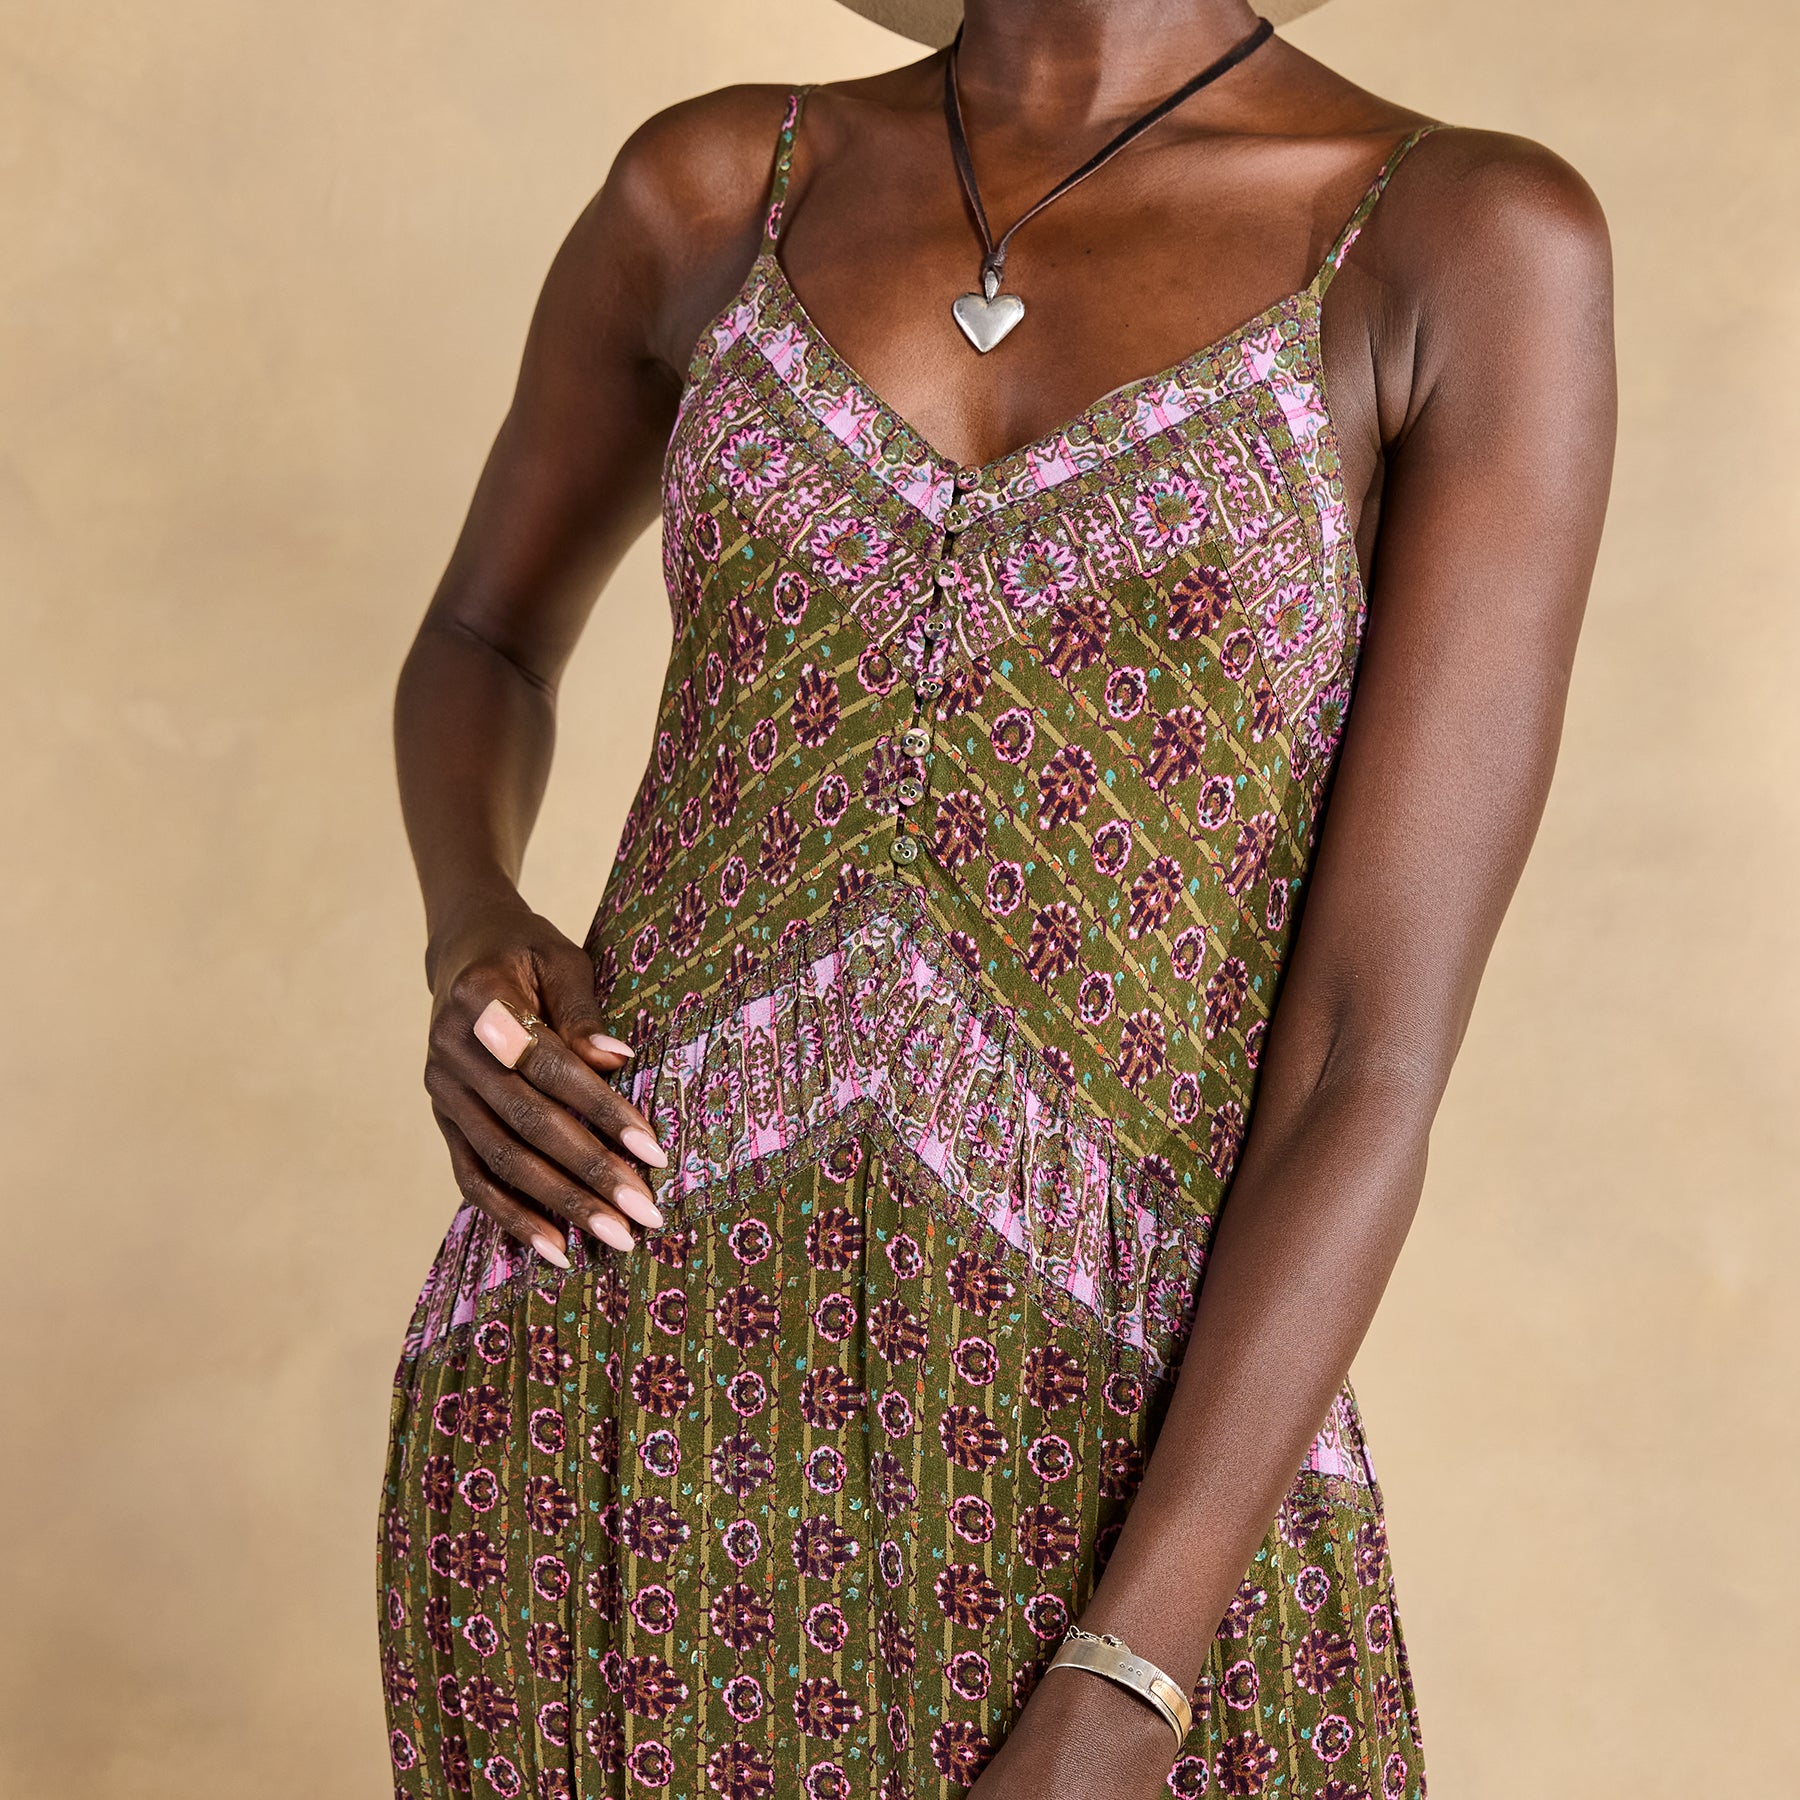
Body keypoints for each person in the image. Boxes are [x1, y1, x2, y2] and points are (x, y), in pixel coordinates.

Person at [378, 1, 1615, 1795]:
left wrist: (1130, 1680)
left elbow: (1369, 1056)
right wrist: (474, 926)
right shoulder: (724, 185)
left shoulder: (1456, 240)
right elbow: (482, 637)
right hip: (611, 1389)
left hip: (1123, 1461)